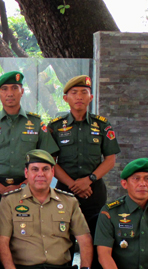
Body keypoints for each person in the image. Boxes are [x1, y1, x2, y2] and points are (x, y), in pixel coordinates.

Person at [0, 70, 59, 230]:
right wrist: (1, 189)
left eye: (14, 88)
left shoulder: (36, 123)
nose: (10, 93)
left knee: (28, 234)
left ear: (22, 91)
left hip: (29, 186)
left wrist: (27, 184)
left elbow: (50, 158)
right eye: (4, 89)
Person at [47, 75, 120, 239]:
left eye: (84, 92)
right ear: (65, 98)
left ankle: (91, 266)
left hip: (94, 189)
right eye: (74, 92)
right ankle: (66, 266)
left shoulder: (102, 125)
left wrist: (89, 179)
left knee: (96, 236)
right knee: (63, 239)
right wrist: (73, 184)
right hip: (65, 189)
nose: (79, 97)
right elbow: (51, 162)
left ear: (91, 97)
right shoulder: (56, 126)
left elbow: (110, 159)